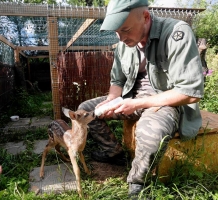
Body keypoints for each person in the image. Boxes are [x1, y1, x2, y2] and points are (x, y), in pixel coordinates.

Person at [78, 0, 204, 198]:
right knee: (85, 111)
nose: (121, 38)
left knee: (149, 134)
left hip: (164, 102)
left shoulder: (176, 33)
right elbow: (117, 80)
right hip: (130, 97)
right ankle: (113, 152)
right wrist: (111, 99)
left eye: (125, 29)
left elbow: (190, 92)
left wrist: (137, 104)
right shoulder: (123, 44)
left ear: (145, 17)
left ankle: (138, 184)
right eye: (117, 32)